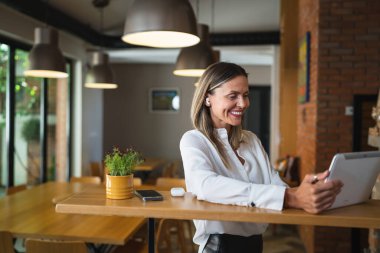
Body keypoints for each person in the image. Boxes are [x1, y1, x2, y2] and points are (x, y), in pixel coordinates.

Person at [179, 62, 343, 253]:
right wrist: (290, 197)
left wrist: (304, 191)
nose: (243, 103)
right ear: (208, 98)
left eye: (245, 95)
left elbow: (276, 186)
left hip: (256, 244)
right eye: (233, 96)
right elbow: (207, 186)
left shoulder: (251, 140)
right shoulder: (194, 140)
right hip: (219, 248)